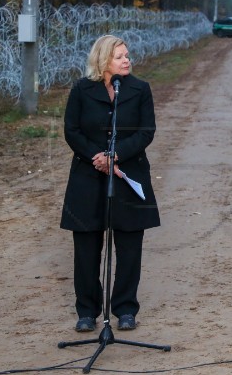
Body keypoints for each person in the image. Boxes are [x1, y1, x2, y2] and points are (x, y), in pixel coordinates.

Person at [60, 35, 160, 332]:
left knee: (129, 246)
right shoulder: (81, 89)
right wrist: (97, 156)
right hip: (87, 177)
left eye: (128, 55)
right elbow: (72, 130)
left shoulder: (140, 89)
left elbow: (146, 131)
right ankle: (87, 311)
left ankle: (126, 309)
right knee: (86, 247)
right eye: (120, 56)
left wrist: (116, 155)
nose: (127, 60)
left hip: (129, 176)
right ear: (103, 60)